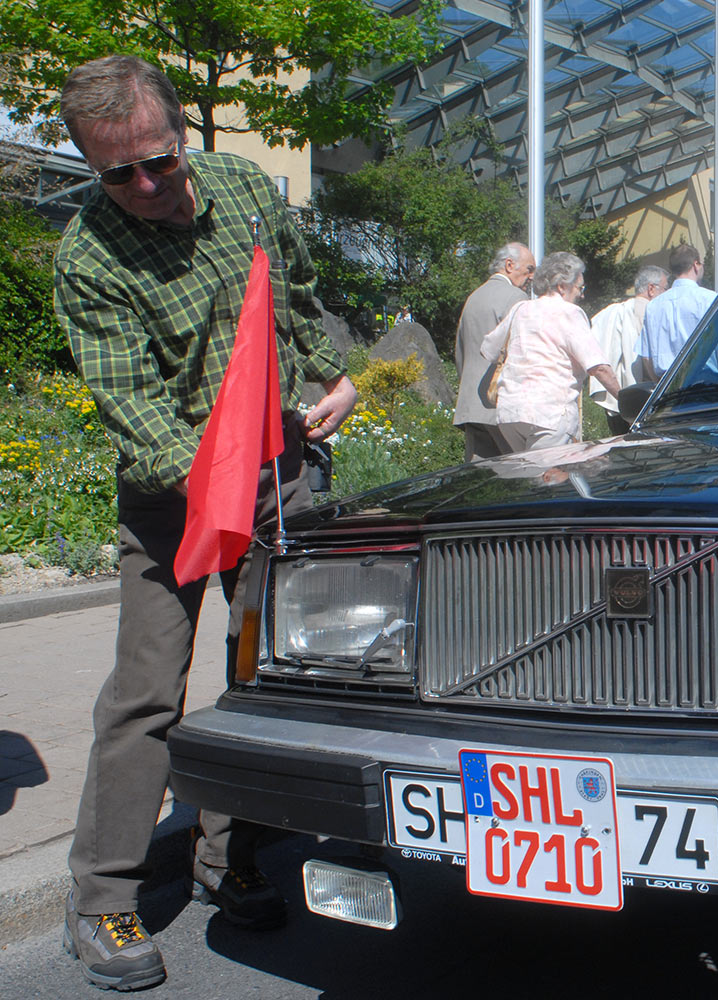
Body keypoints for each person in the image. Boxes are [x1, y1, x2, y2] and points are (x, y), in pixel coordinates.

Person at [52, 55, 357, 990]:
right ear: (89, 167)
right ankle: (101, 894)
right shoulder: (89, 263)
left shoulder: (240, 187)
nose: (145, 186)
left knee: (264, 676)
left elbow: (294, 293)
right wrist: (218, 473)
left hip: (278, 475)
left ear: (183, 137)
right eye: (118, 174)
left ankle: (232, 857)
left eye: (159, 161)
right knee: (147, 691)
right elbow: (139, 418)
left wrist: (326, 373)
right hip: (171, 497)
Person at [480, 251, 620, 451]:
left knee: (529, 477)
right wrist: (625, 401)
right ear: (562, 286)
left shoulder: (520, 309)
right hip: (550, 414)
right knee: (550, 479)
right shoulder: (570, 313)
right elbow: (598, 367)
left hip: (510, 413)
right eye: (580, 287)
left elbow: (488, 349)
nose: (582, 294)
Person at [453, 242, 535, 459]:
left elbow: (460, 351)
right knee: (518, 477)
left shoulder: (474, 297)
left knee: (481, 481)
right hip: (500, 407)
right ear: (510, 265)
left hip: (471, 405)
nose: (532, 277)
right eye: (529, 269)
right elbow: (522, 353)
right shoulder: (516, 298)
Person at [637, 243, 718, 383]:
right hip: (703, 386)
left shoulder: (653, 306)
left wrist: (661, 388)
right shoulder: (710, 299)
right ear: (696, 265)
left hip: (665, 387)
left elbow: (646, 356)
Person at [589, 264, 667, 434]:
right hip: (645, 399)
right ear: (651, 289)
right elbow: (650, 357)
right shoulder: (650, 311)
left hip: (618, 398)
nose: (666, 294)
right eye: (665, 288)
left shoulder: (612, 311)